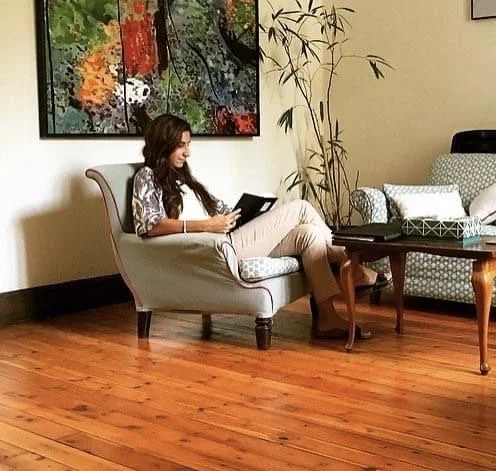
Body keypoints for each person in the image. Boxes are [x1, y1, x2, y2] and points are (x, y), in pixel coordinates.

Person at [131, 113, 381, 339]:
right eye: (181, 145)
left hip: (227, 235)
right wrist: (208, 225)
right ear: (164, 143)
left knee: (309, 235)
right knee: (301, 208)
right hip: (215, 246)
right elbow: (149, 225)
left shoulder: (183, 178)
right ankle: (349, 263)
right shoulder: (147, 176)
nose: (188, 152)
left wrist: (245, 214)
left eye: (188, 144)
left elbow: (218, 208)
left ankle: (327, 318)